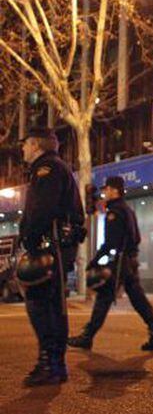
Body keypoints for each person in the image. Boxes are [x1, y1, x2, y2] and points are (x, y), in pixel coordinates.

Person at [68, 176, 153, 351]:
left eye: (106, 189)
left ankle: (87, 336)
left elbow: (110, 243)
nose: (104, 193)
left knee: (104, 297)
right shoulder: (127, 210)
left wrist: (94, 262)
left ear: (114, 190)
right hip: (130, 260)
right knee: (137, 298)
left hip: (120, 262)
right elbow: (136, 238)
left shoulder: (115, 212)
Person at [19, 127, 85, 386]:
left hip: (51, 245)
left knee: (42, 303)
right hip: (55, 245)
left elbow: (41, 209)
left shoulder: (47, 168)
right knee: (50, 303)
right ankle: (53, 363)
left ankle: (51, 363)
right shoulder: (53, 167)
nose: (22, 149)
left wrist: (31, 239)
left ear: (35, 145)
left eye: (25, 144)